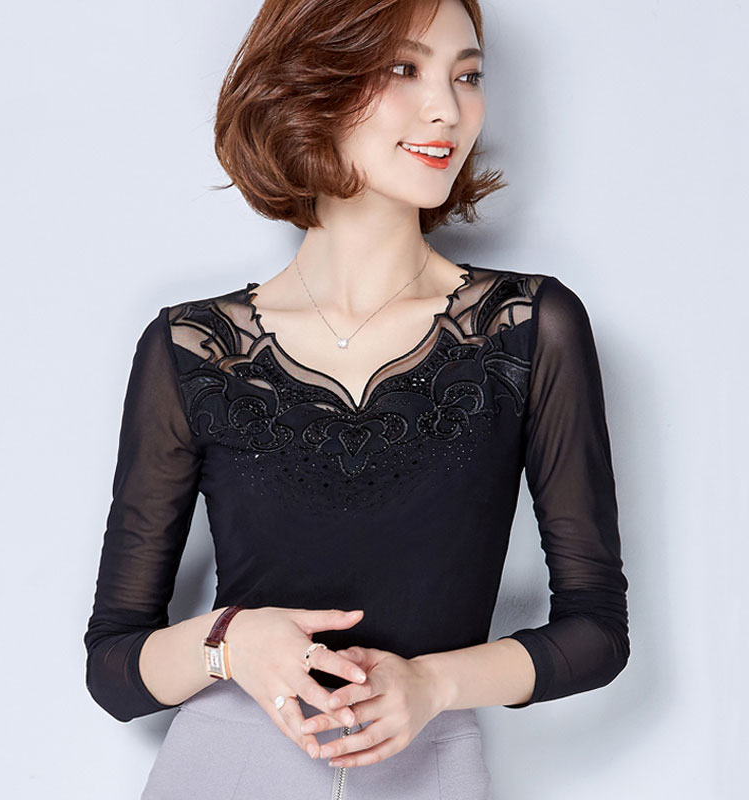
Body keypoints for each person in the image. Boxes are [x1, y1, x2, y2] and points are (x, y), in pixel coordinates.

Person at [83, 0, 630, 797]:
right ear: (311, 82)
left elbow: (597, 632)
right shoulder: (195, 348)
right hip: (225, 765)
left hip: (429, 769)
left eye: (468, 75)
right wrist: (230, 642)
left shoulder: (526, 328)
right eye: (404, 68)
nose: (448, 109)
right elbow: (113, 668)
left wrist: (434, 684)